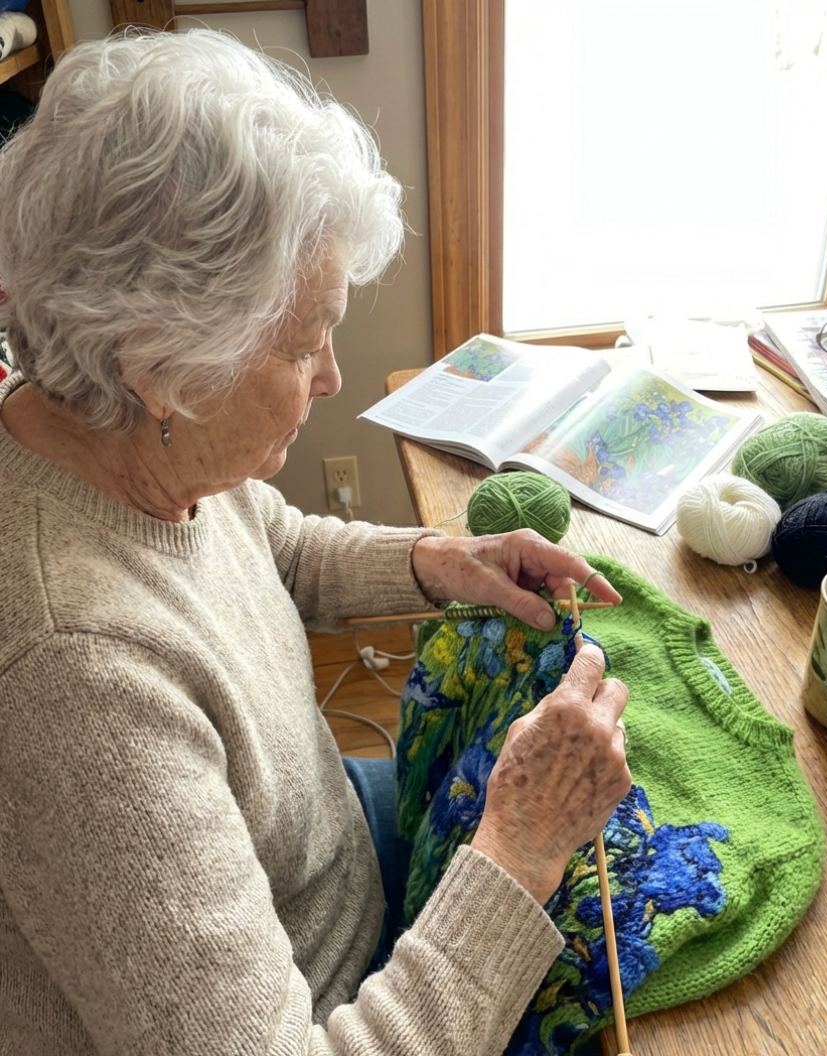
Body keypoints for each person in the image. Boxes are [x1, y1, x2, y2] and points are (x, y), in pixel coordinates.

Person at [0, 29, 631, 1056]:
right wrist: (519, 848)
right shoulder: (76, 687)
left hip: (331, 852)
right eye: (303, 345)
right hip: (332, 1006)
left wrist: (439, 564)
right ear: (163, 366)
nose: (332, 378)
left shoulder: (118, 436)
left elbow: (268, 548)